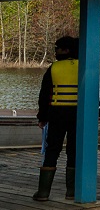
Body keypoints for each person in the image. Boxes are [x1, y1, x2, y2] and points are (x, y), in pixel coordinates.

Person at [33, 35, 80, 201]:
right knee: (74, 151)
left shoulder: (54, 68)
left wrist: (42, 116)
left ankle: (43, 193)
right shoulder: (83, 67)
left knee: (52, 149)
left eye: (57, 48)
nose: (55, 51)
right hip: (78, 115)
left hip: (57, 114)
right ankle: (72, 192)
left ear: (65, 50)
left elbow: (44, 95)